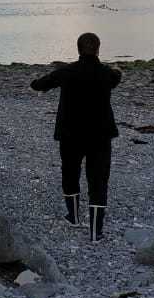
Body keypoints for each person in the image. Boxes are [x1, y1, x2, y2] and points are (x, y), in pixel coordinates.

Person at [30, 32, 121, 242]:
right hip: (100, 135)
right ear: (98, 49)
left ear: (78, 49)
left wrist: (35, 82)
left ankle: (74, 217)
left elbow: (39, 84)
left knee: (70, 173)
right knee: (98, 180)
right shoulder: (108, 74)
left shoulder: (66, 72)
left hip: (70, 134)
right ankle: (95, 232)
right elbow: (117, 76)